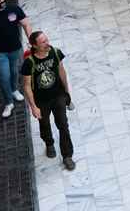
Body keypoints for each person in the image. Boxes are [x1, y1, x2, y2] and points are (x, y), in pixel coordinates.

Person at [21, 31, 75, 170]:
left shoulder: (55, 53)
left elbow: (62, 71)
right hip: (41, 100)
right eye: (43, 42)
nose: (47, 43)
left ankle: (67, 155)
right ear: (34, 45)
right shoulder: (29, 62)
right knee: (44, 124)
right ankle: (49, 143)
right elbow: (26, 86)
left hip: (58, 96)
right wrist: (33, 106)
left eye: (47, 40)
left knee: (63, 125)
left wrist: (67, 93)